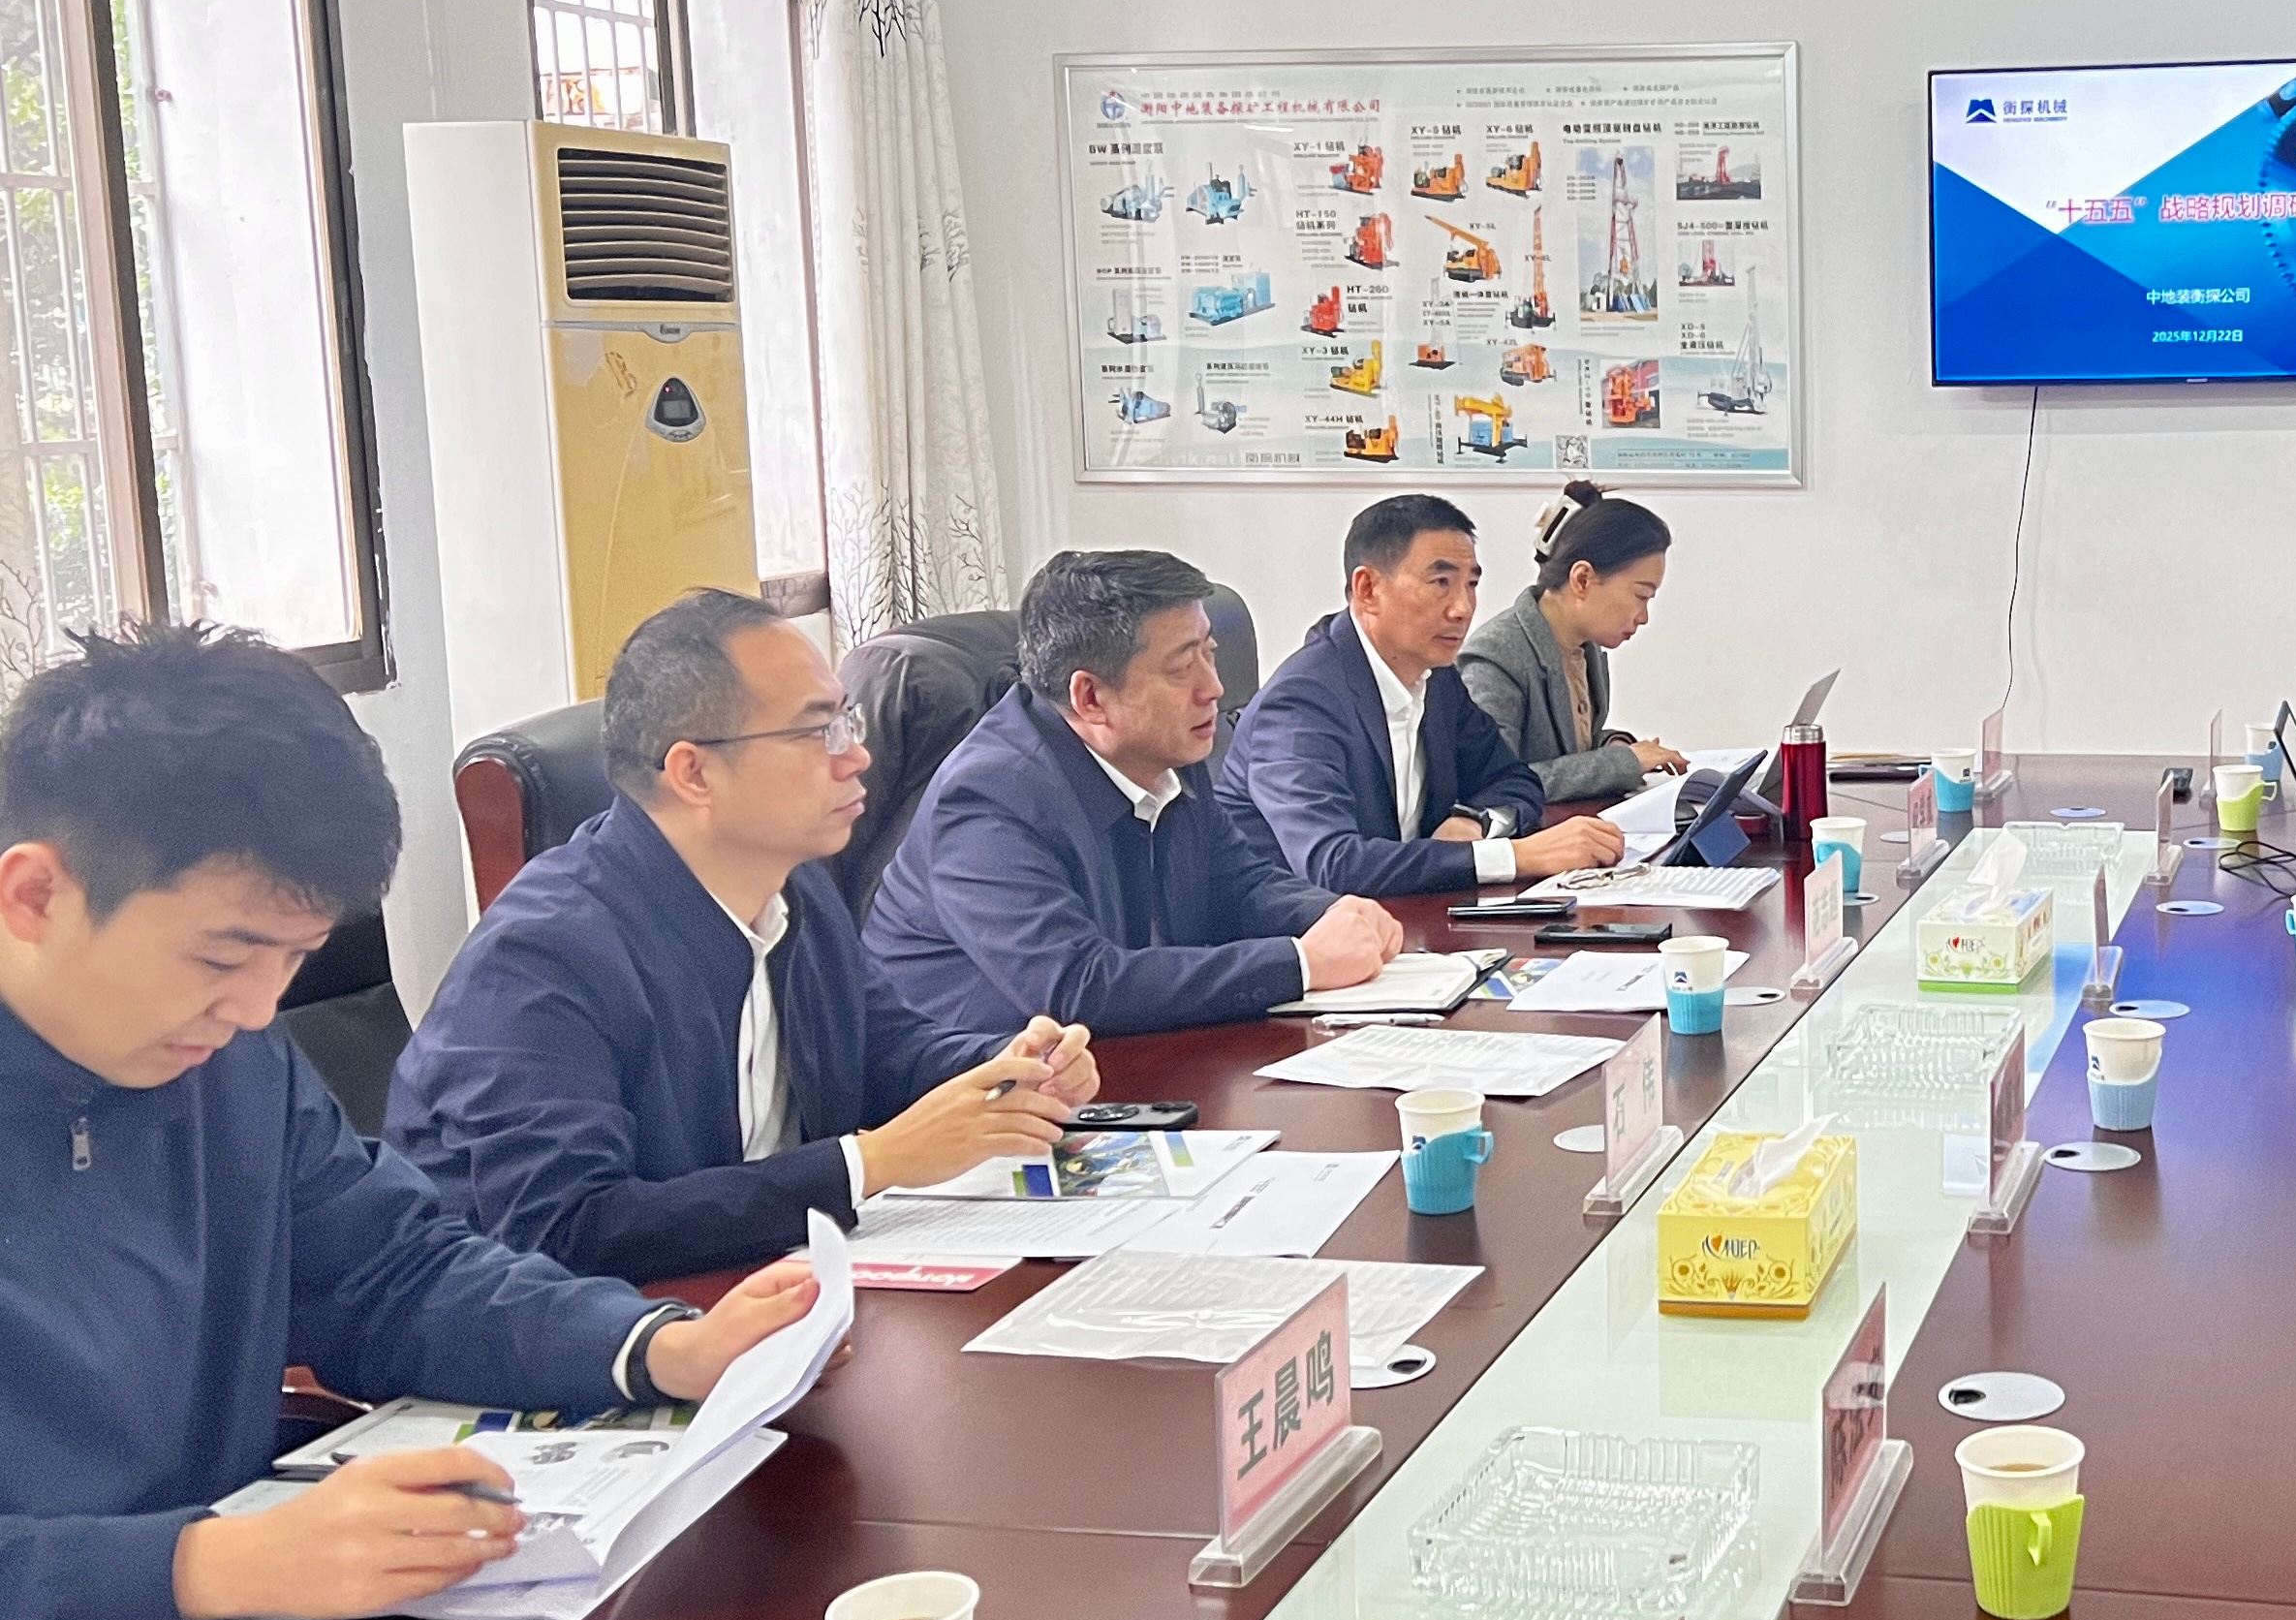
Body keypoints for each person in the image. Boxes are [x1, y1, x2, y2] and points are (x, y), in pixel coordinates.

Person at [1, 625, 819, 1620]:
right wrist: (209, 1564)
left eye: (294, 962)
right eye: (222, 956)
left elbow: (391, 1273)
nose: (257, 1010)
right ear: (35, 896)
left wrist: (655, 1348)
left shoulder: (228, 1058)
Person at [391, 590, 1101, 1282]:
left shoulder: (794, 885)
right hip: (581, 1331)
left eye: (847, 721)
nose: (856, 756)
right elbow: (570, 1229)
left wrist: (1004, 1067)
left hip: (764, 1284)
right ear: (693, 772)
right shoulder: (542, 955)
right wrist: (871, 1163)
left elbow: (883, 1052)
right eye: (817, 732)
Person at [865, 549, 1405, 1034]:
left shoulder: (1164, 750)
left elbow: (1238, 886)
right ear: (1090, 697)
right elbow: (1077, 985)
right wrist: (1301, 963)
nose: (1214, 688)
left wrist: (1331, 913)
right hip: (978, 1083)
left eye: (1210, 653)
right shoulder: (987, 799)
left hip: (1118, 1057)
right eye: (1182, 667)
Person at [1224, 493, 1626, 895]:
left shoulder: (1437, 679)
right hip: (1303, 925)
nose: (1462, 608)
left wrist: (1474, 822)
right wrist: (1513, 856)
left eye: (1471, 584)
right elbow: (1334, 864)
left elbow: (1514, 780)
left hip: (1408, 909)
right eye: (1440, 583)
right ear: (1367, 589)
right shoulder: (1300, 704)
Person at [1461, 483, 1689, 805]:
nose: (1643, 617)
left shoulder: (1584, 647)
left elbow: (1568, 749)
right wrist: (1623, 763)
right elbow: (1495, 783)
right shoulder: (1495, 658)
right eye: (1641, 595)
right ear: (1582, 579)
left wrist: (1614, 746)